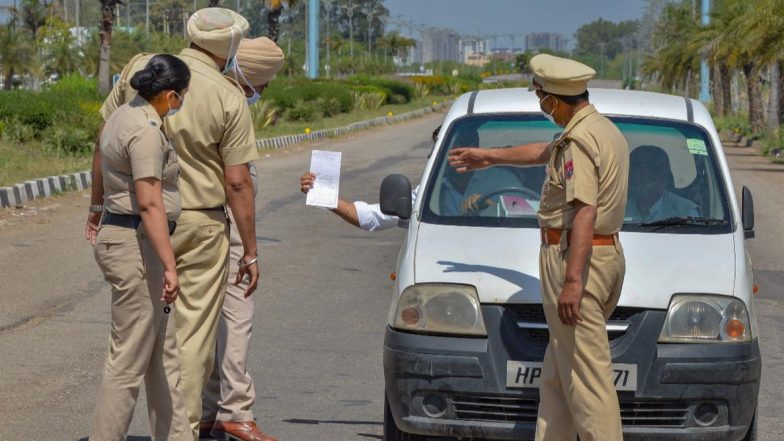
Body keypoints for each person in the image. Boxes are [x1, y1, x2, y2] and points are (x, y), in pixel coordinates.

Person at [86, 8, 260, 439]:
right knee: (186, 341)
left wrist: (95, 205)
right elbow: (237, 182)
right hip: (193, 226)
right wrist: (251, 249)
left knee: (161, 343)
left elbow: (101, 143)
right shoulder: (227, 96)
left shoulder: (138, 69)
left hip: (135, 225)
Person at [448, 53, 629, 441]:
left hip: (577, 259)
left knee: (589, 380)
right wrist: (488, 158)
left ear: (555, 98)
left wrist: (573, 281)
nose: (541, 105)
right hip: (603, 256)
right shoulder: (598, 129)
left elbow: (584, 210)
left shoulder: (579, 140)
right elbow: (543, 153)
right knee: (558, 376)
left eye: (541, 97)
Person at [88, 54, 192, 441]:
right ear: (169, 95)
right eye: (182, 96)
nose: (182, 102)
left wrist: (95, 208)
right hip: (137, 244)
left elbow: (99, 157)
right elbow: (149, 203)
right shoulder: (147, 130)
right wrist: (169, 265)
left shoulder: (121, 115)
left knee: (162, 354)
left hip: (130, 236)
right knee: (128, 361)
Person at [199, 36, 284, 441]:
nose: (261, 94)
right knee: (236, 318)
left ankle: (207, 411)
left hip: (192, 223)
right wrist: (250, 251)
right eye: (262, 86)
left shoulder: (197, 91)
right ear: (248, 77)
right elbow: (238, 184)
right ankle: (235, 411)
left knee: (204, 323)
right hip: (225, 225)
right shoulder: (232, 103)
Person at [626, 145, 699, 222]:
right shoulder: (616, 206)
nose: (646, 179)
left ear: (666, 178)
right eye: (640, 172)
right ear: (629, 177)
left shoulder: (686, 212)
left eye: (657, 172)